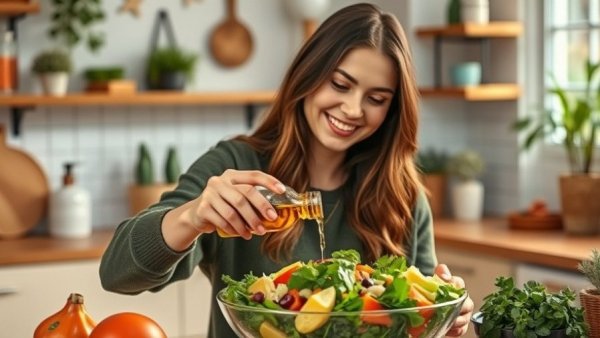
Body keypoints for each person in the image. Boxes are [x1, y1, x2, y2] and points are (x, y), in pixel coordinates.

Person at [99, 3, 474, 337]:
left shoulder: (402, 196)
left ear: (392, 110)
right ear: (308, 75)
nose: (353, 109)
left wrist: (448, 317)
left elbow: (420, 318)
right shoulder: (237, 165)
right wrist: (193, 216)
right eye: (340, 84)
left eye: (376, 99)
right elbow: (117, 274)